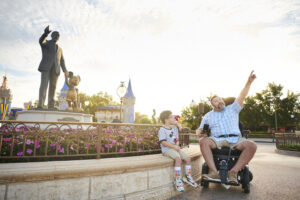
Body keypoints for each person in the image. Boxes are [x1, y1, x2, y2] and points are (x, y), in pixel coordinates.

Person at [196, 70, 257, 184]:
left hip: (235, 139)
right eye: (216, 100)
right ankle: (214, 172)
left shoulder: (232, 108)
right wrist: (198, 133)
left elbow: (242, 95)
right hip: (217, 139)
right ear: (212, 105)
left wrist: (248, 83)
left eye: (220, 99)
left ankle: (233, 172)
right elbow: (199, 129)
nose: (219, 101)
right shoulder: (208, 115)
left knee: (252, 145)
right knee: (203, 141)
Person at [159, 110, 198, 192]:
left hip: (175, 148)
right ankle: (178, 180)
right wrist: (173, 147)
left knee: (188, 159)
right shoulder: (162, 129)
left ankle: (187, 176)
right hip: (167, 149)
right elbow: (163, 142)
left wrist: (177, 123)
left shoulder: (174, 127)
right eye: (171, 116)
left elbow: (181, 128)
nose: (174, 118)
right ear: (166, 119)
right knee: (178, 158)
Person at [37, 25, 68, 109]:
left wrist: (65, 71)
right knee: (44, 85)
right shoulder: (46, 43)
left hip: (56, 69)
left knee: (53, 87)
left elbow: (62, 60)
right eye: (55, 35)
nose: (57, 37)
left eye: (58, 36)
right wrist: (45, 34)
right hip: (46, 67)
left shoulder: (60, 49)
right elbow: (41, 41)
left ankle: (51, 105)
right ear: (52, 36)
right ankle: (40, 104)